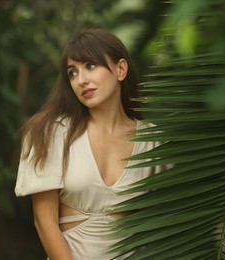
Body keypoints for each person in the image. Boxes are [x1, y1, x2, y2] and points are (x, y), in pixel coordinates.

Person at [15, 28, 164, 260]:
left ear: (120, 69)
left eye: (90, 66)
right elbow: (44, 222)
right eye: (72, 72)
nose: (81, 80)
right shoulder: (51, 132)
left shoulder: (153, 141)